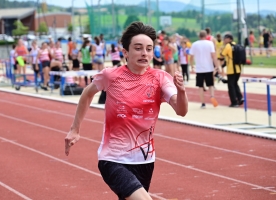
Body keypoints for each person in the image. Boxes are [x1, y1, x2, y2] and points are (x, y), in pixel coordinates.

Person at [64, 21, 188, 200]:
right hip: (113, 158)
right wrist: (75, 128)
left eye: (149, 48)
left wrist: (182, 91)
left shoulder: (160, 79)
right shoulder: (111, 76)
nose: (144, 53)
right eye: (138, 48)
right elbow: (87, 93)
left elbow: (181, 110)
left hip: (145, 159)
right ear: (126, 52)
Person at [189, 30, 219, 109]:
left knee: (200, 86)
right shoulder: (210, 43)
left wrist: (192, 65)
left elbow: (191, 57)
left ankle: (203, 103)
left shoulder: (195, 44)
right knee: (211, 84)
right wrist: (217, 66)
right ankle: (212, 95)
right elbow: (214, 56)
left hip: (199, 69)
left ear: (199, 36)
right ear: (206, 36)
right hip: (209, 68)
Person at [221, 34, 244, 107]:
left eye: (225, 39)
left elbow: (222, 55)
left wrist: (221, 49)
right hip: (238, 69)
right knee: (235, 83)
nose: (224, 40)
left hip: (231, 69)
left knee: (231, 86)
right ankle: (240, 98)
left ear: (229, 39)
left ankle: (234, 102)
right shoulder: (236, 45)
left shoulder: (228, 46)